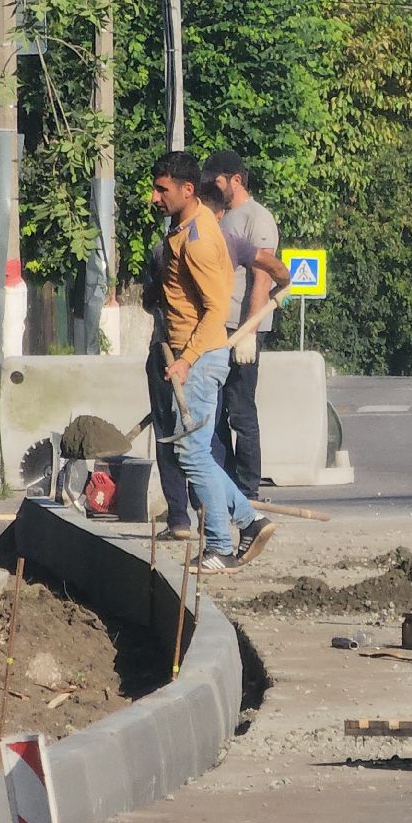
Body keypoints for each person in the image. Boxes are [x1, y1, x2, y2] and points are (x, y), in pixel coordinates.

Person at [147, 151, 275, 572]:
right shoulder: (191, 225)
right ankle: (250, 522)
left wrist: (186, 360)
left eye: (162, 189)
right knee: (194, 451)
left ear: (187, 190)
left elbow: (215, 308)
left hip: (199, 360)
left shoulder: (199, 240)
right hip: (197, 356)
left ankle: (221, 545)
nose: (154, 197)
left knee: (194, 454)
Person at [202, 150, 279, 502]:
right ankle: (224, 486)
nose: (212, 187)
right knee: (213, 413)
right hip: (216, 328)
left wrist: (248, 331)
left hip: (242, 329)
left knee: (241, 411)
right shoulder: (218, 217)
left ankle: (247, 489)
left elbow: (261, 280)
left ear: (236, 179)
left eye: (217, 181)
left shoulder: (256, 218)